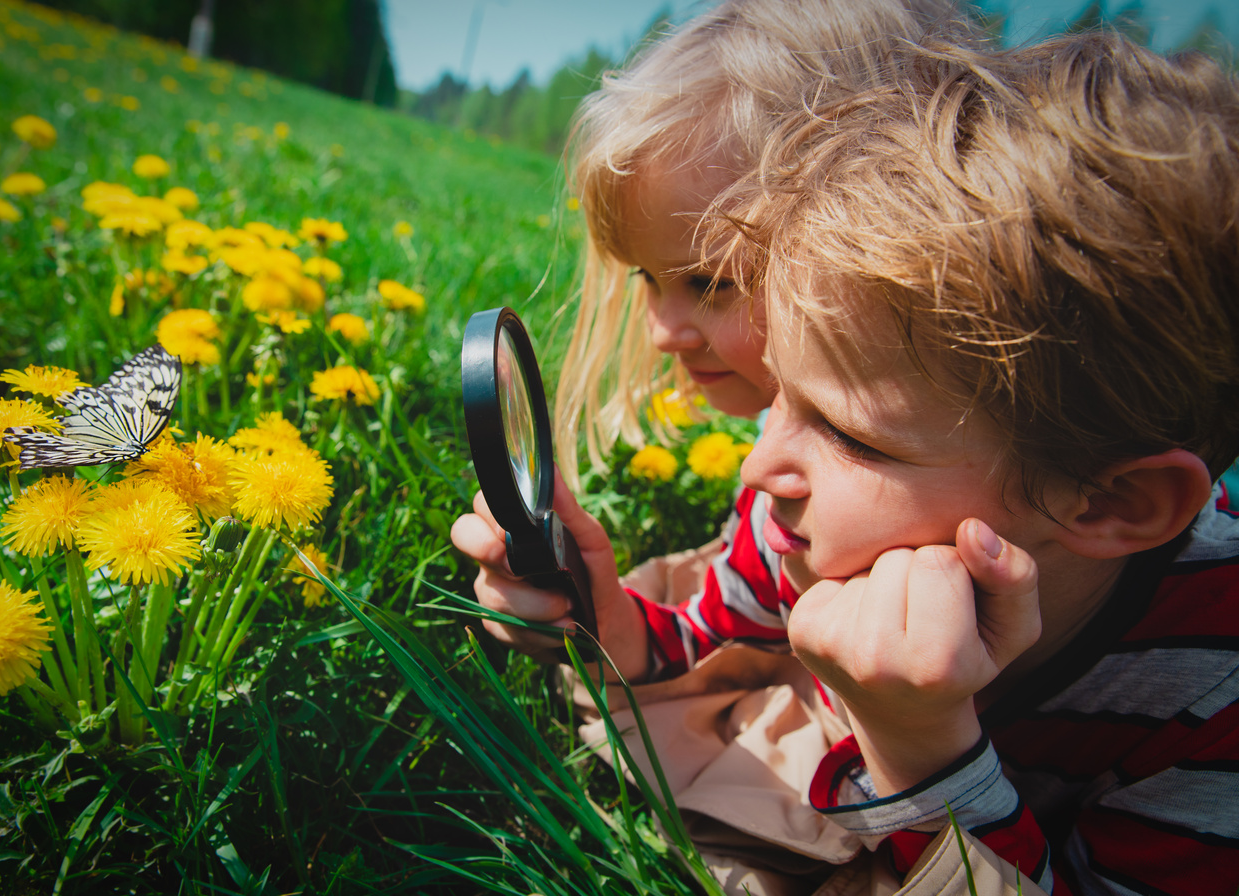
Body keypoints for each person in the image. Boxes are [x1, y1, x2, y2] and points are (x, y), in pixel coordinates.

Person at [460, 29, 1239, 896]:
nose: (759, 469)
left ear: (1111, 502)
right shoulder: (805, 514)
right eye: (777, 394)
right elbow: (707, 632)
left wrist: (919, 749)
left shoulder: (1214, 704)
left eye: (852, 435)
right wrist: (610, 624)